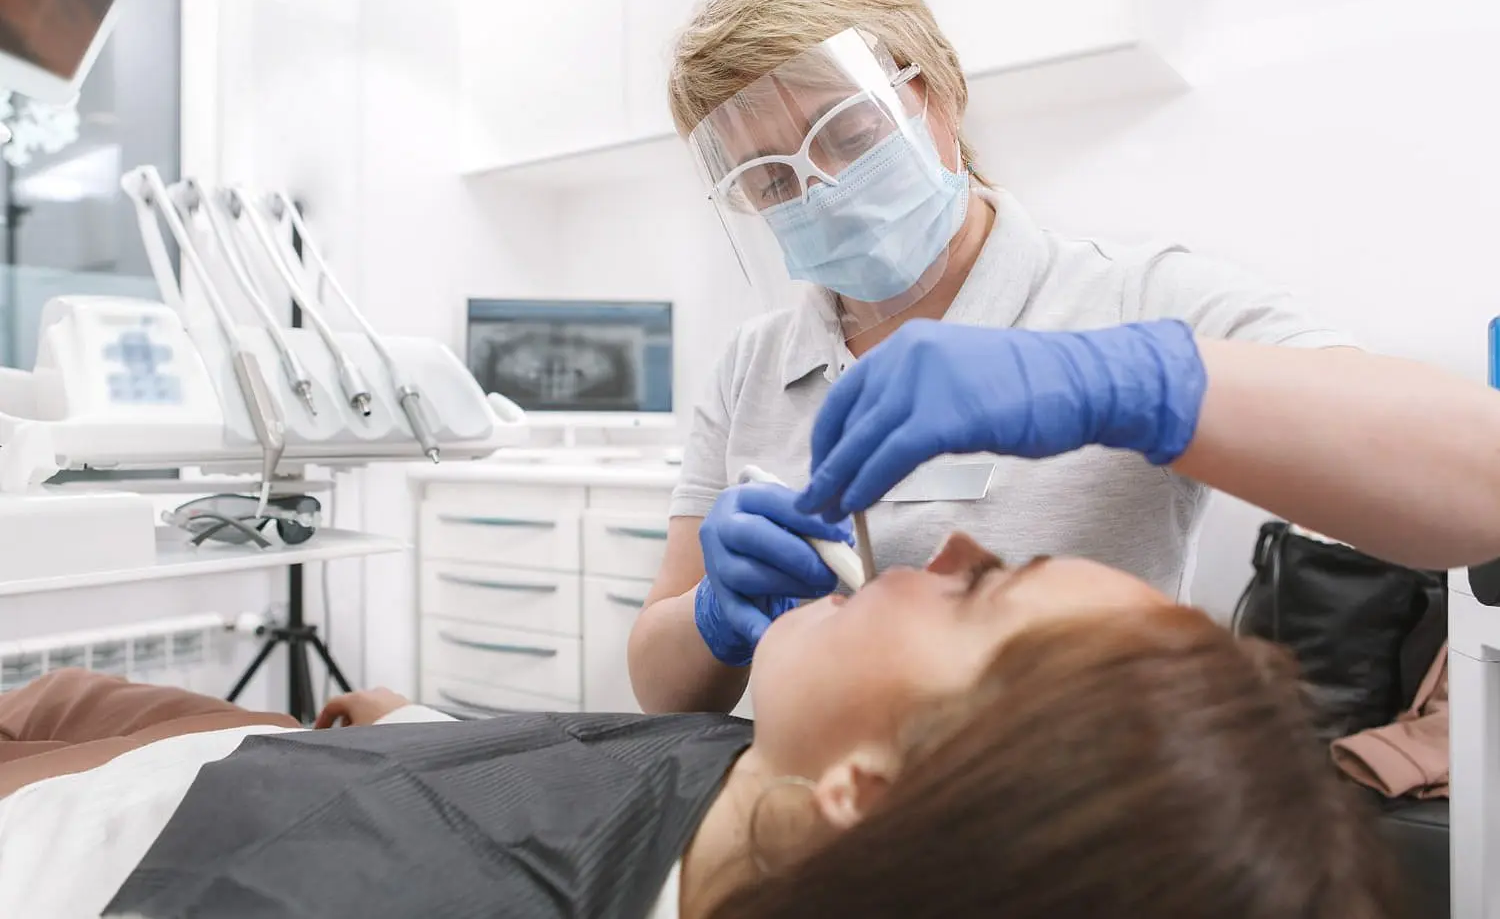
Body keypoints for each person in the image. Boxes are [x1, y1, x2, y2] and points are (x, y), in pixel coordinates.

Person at [627, 0, 1500, 713]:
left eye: (849, 136)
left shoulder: (1136, 300)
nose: (820, 191)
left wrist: (1128, 382)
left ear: (938, 91)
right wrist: (710, 618)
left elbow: (1484, 483)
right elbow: (662, 691)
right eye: (772, 179)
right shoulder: (755, 364)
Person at [0, 536, 1399, 919]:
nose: (925, 555)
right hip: (240, 747)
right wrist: (421, 729)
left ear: (866, 789)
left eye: (977, 593)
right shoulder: (786, 788)